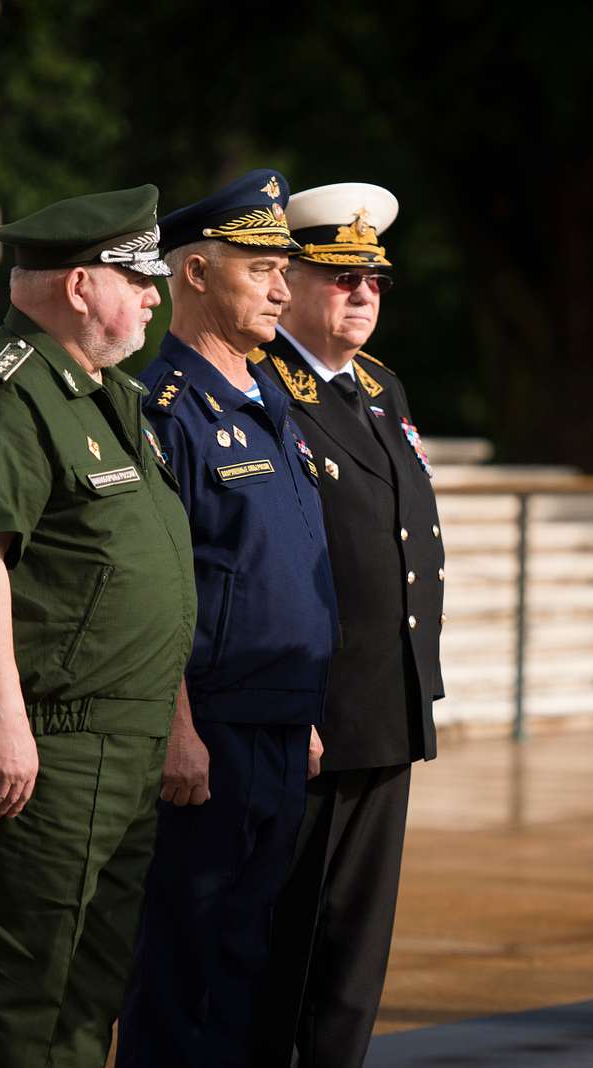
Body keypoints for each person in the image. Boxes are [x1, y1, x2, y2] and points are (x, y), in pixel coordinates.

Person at [0, 185, 196, 1066]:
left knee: (88, 992)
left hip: (124, 737)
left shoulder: (103, 394)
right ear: (80, 285)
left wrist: (176, 719)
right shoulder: (2, 400)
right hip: (50, 746)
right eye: (139, 279)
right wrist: (6, 720)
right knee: (17, 996)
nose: (155, 296)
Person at [116, 169, 338, 1067]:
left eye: (286, 269)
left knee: (248, 961)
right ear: (196, 274)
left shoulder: (270, 399)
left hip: (280, 723)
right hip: (209, 732)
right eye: (262, 268)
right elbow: (154, 590)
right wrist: (177, 731)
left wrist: (305, 710)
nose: (284, 287)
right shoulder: (162, 410)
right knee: (184, 967)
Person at [248, 182, 446, 1065]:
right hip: (311, 714)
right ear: (290, 278)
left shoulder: (379, 385)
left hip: (385, 705)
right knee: (284, 948)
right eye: (340, 276)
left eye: (373, 278)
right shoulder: (266, 390)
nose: (362, 293)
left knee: (357, 955)